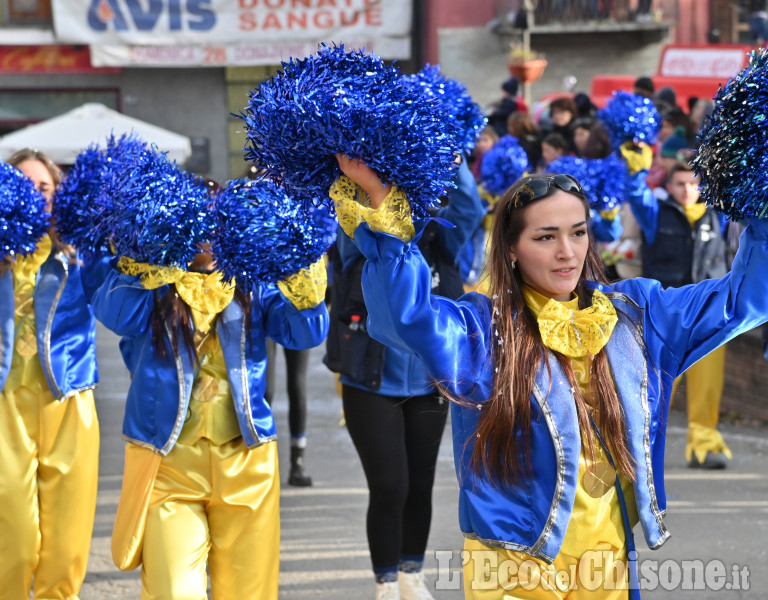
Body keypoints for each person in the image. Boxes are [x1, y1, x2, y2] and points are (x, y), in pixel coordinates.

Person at [330, 155, 768, 597]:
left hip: (607, 561)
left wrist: (758, 193)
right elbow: (407, 318)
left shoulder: (638, 315)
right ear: (511, 250)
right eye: (546, 237)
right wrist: (384, 205)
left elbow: (742, 300)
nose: (568, 252)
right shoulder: (484, 330)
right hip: (512, 569)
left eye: (578, 233)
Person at [91, 240, 329, 598]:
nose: (209, 235)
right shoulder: (155, 281)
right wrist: (144, 260)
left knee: (249, 592)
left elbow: (307, 331)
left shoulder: (253, 282)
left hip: (247, 466)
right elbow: (114, 313)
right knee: (172, 590)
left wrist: (299, 262)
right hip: (169, 466)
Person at [324, 158, 484, 599]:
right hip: (370, 381)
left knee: (421, 482)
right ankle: (386, 581)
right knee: (390, 483)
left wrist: (458, 159)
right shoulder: (362, 235)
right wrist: (365, 181)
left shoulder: (439, 237)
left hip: (429, 382)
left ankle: (412, 572)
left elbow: (470, 209)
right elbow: (352, 228)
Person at [0, 149, 101, 599]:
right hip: (5, 408)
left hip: (69, 402)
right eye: (24, 186)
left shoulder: (81, 252)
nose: (36, 196)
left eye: (45, 187)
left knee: (65, 548)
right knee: (15, 544)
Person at [625, 160, 732, 469]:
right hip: (665, 317)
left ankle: (703, 444)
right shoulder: (655, 213)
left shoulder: (717, 215)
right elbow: (636, 194)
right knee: (656, 386)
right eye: (680, 184)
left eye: (693, 183)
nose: (687, 190)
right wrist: (636, 166)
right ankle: (641, 450)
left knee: (707, 384)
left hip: (708, 314)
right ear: (668, 187)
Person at [264, 340, 314, 486]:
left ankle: (297, 463)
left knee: (297, 387)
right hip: (264, 318)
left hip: (295, 317)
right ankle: (261, 460)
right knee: (266, 391)